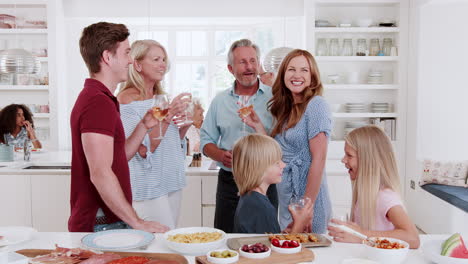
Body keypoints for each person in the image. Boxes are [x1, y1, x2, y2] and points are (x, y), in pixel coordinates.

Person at [69, 22, 169, 233]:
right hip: (101, 223)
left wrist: (143, 125)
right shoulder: (98, 102)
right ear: (107, 57)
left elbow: (117, 157)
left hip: (108, 220)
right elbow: (100, 173)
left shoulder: (101, 98)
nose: (131, 60)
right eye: (126, 53)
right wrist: (138, 222)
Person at [242, 49, 333, 234]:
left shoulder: (316, 105)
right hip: (286, 197)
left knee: (310, 253)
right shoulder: (286, 108)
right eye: (291, 69)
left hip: (308, 197)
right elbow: (279, 151)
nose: (297, 75)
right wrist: (258, 125)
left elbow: (319, 159)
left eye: (304, 70)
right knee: (288, 251)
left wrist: (306, 208)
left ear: (312, 76)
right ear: (283, 74)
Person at [200, 39, 278, 233]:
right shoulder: (220, 101)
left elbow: (282, 142)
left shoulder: (275, 98)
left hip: (264, 180)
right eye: (242, 62)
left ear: (259, 64)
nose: (249, 67)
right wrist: (219, 155)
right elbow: (205, 140)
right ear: (230, 68)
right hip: (230, 180)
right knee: (224, 237)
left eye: (253, 61)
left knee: (264, 239)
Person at [117, 39, 191, 229]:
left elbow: (169, 142)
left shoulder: (160, 98)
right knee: (158, 244)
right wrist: (168, 116)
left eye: (164, 59)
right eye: (156, 59)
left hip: (170, 179)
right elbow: (142, 150)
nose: (163, 65)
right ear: (138, 64)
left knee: (170, 238)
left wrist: (183, 125)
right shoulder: (126, 100)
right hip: (148, 185)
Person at [327, 125, 420, 249]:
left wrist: (362, 235)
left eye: (349, 155)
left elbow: (413, 238)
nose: (343, 160)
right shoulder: (365, 195)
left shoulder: (384, 197)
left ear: (368, 160)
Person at [232, 134, 312, 234]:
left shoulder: (252, 199)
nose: (283, 165)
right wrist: (299, 224)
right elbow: (276, 249)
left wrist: (284, 233)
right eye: (277, 162)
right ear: (259, 168)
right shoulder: (260, 207)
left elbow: (266, 241)